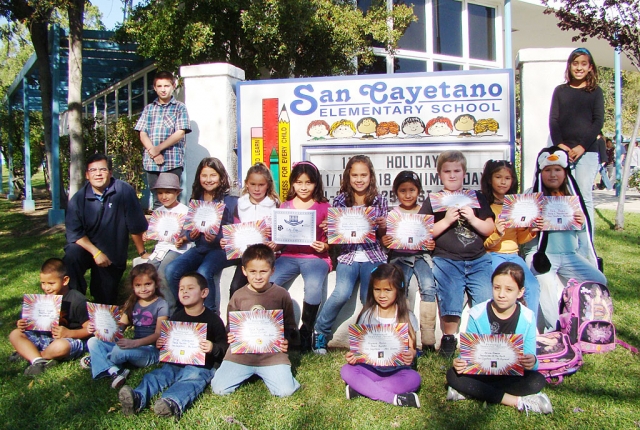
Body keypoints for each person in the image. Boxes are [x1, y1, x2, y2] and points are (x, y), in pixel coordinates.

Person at [446, 263, 552, 414]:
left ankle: (471, 392)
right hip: (483, 374)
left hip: (510, 375)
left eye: (509, 290)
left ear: (520, 292)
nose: (501, 294)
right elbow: (467, 354)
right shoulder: (477, 313)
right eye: (497, 288)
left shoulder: (528, 317)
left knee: (537, 380)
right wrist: (459, 362)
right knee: (452, 375)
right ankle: (517, 401)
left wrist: (532, 361)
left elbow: (531, 358)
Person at [118, 272, 227, 418]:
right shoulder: (177, 316)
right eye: (181, 289)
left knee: (191, 379)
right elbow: (167, 342)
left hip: (201, 366)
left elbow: (224, 346)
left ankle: (171, 402)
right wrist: (162, 344)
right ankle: (137, 398)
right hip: (175, 362)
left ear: (204, 292)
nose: (184, 291)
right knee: (158, 375)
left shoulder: (213, 320)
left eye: (190, 288)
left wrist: (213, 347)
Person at [419, 150, 495, 357]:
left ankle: (482, 342)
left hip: (478, 260)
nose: (452, 175)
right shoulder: (434, 200)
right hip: (447, 260)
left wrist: (472, 218)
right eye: (447, 171)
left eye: (456, 171)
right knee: (450, 299)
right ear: (439, 174)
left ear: (464, 173)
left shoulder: (477, 197)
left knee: (485, 299)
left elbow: (489, 228)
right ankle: (449, 339)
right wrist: (446, 220)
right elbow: (423, 232)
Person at [523, 147, 607, 332]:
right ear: (541, 172)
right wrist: (531, 228)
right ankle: (557, 330)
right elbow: (521, 234)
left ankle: (586, 324)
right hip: (541, 254)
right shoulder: (530, 195)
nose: (553, 174)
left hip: (569, 255)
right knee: (544, 282)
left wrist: (581, 222)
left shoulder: (573, 196)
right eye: (547, 170)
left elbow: (580, 232)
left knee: (598, 280)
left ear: (565, 172)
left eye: (558, 169)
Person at [313, 155, 388, 354]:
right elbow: (335, 234)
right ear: (348, 176)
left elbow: (383, 237)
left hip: (373, 255)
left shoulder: (380, 200)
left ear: (371, 176)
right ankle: (320, 331)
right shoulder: (339, 200)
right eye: (354, 175)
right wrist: (329, 227)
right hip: (348, 255)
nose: (359, 179)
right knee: (342, 292)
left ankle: (368, 339)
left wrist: (383, 226)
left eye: (363, 175)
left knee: (368, 296)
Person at [210, 244, 301, 397]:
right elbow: (230, 327)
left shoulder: (281, 295)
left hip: (272, 354)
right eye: (252, 271)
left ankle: (266, 372)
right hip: (242, 354)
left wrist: (287, 340)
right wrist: (230, 336)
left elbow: (291, 326)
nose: (258, 277)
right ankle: (243, 371)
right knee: (219, 388)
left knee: (286, 391)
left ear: (272, 271)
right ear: (244, 270)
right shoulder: (238, 296)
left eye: (263, 271)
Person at [64, 153, 149, 304]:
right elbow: (75, 234)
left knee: (104, 299)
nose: (98, 174)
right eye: (93, 170)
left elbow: (135, 226)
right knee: (71, 255)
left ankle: (101, 303)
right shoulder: (78, 199)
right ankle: (74, 301)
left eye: (102, 170)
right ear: (87, 175)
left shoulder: (124, 191)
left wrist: (142, 253)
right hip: (87, 249)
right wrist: (96, 253)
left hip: (112, 253)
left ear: (110, 172)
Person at [340, 263, 422, 408]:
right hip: (370, 369)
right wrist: (352, 357)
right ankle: (394, 398)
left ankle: (362, 390)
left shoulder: (407, 317)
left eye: (388, 290)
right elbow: (358, 349)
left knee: (414, 378)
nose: (382, 295)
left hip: (397, 371)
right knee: (346, 370)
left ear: (398, 290)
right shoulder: (367, 315)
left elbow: (411, 348)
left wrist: (411, 354)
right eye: (377, 289)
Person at [270, 161, 331, 351]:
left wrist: (325, 245)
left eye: (308, 183)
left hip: (315, 258)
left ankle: (306, 329)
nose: (303, 187)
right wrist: (275, 244)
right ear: (293, 184)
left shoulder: (324, 207)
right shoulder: (284, 206)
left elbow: (333, 239)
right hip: (288, 255)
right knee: (270, 282)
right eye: (299, 182)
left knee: (313, 287)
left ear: (316, 184)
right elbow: (281, 238)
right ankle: (283, 330)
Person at [165, 157, 238, 313]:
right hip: (200, 248)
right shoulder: (196, 198)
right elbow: (189, 232)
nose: (208, 180)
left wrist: (217, 238)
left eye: (213, 175)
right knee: (172, 269)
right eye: (204, 175)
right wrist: (191, 234)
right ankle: (184, 311)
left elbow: (234, 231)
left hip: (221, 250)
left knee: (204, 272)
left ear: (221, 176)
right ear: (199, 177)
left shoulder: (230, 200)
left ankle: (210, 314)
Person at [549, 47, 604, 245]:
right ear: (570, 66)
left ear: (590, 68)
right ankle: (564, 239)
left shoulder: (596, 92)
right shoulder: (560, 91)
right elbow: (553, 120)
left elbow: (598, 122)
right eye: (575, 63)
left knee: (583, 196)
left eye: (583, 64)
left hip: (587, 152)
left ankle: (585, 242)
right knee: (561, 195)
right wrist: (560, 145)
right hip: (562, 151)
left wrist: (581, 146)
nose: (579, 68)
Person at [83, 264, 169, 389]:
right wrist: (101, 329)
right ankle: (115, 371)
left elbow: (158, 334)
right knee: (93, 341)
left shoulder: (161, 304)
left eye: (148, 284)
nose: (143, 289)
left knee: (119, 351)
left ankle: (98, 360)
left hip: (150, 351)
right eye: (138, 285)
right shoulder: (132, 302)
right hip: (132, 346)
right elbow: (120, 327)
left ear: (156, 284)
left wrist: (134, 344)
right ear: (133, 286)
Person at [381, 171, 437, 352]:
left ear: (419, 191)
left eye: (412, 190)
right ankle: (403, 336)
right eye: (403, 190)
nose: (407, 194)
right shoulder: (393, 214)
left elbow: (430, 238)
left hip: (421, 256)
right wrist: (386, 242)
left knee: (429, 286)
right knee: (401, 289)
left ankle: (428, 338)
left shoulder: (425, 212)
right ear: (396, 192)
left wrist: (431, 243)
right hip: (399, 256)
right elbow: (386, 241)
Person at [480, 160, 540, 320]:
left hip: (514, 255)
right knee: (502, 287)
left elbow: (519, 239)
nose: (503, 181)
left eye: (507, 178)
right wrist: (497, 234)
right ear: (489, 179)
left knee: (532, 286)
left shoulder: (516, 205)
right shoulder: (485, 205)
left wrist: (532, 231)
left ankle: (529, 328)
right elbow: (483, 244)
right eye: (498, 177)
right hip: (492, 255)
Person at [9, 258, 90, 376]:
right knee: (15, 334)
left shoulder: (78, 300)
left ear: (65, 280)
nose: (46, 288)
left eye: (51, 283)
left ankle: (32, 354)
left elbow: (90, 329)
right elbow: (36, 324)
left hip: (69, 340)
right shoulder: (45, 298)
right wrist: (24, 324)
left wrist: (69, 333)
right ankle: (38, 361)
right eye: (43, 283)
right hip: (47, 337)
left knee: (61, 346)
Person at [135, 71, 191, 209]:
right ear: (154, 88)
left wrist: (158, 149)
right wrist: (153, 152)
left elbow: (180, 133)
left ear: (173, 86)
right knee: (157, 199)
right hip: (151, 162)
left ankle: (174, 229)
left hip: (172, 161)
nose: (163, 89)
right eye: (159, 86)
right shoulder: (149, 109)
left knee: (171, 198)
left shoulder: (179, 107)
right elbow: (142, 133)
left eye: (166, 85)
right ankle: (157, 229)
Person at [223, 162, 279, 298]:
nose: (257, 189)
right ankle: (235, 317)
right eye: (253, 184)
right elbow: (235, 231)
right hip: (245, 256)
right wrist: (228, 242)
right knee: (236, 287)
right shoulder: (240, 205)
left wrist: (274, 241)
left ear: (268, 185)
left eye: (261, 185)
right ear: (246, 183)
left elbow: (280, 232)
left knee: (267, 289)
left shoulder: (275, 205)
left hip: (267, 255)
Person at [143, 172, 192, 314]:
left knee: (163, 272)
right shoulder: (158, 211)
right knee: (147, 272)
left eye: (168, 192)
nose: (164, 196)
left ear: (177, 192)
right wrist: (148, 234)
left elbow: (190, 235)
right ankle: (151, 309)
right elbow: (155, 232)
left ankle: (170, 311)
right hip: (161, 248)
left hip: (179, 250)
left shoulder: (185, 211)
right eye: (160, 193)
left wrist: (183, 239)